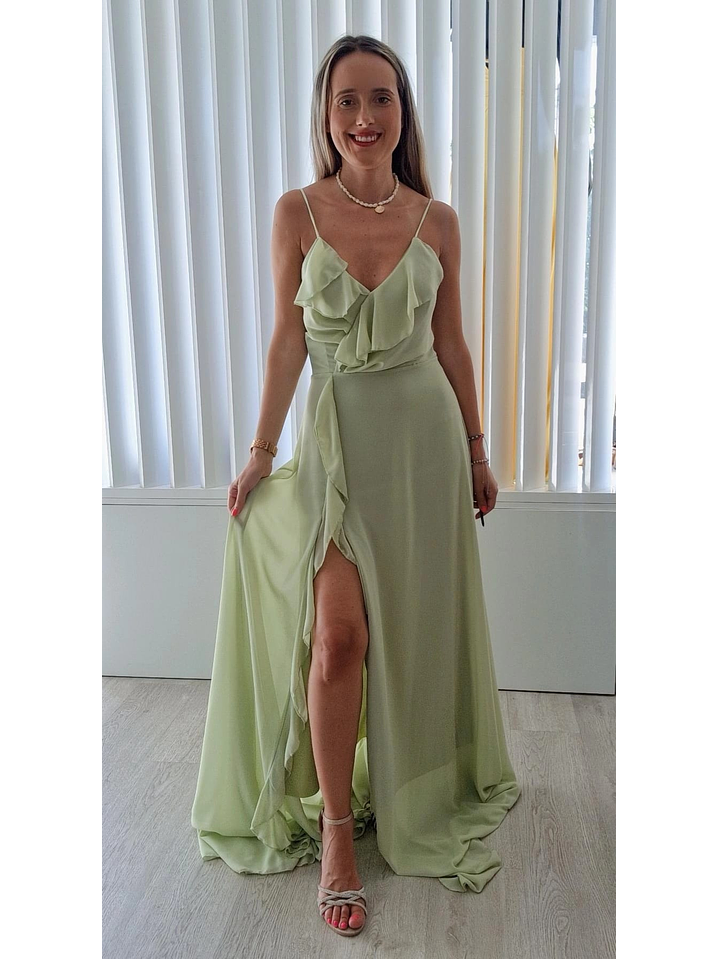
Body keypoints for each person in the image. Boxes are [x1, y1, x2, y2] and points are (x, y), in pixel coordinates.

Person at [191, 34, 521, 939]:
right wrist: (260, 451)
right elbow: (285, 342)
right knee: (337, 639)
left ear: (403, 112)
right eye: (347, 100)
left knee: (410, 642)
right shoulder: (295, 212)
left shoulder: (437, 219)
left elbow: (451, 345)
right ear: (325, 114)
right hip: (337, 450)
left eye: (382, 99)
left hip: (422, 449)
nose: (365, 117)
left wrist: (477, 450)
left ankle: (416, 784)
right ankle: (337, 832)